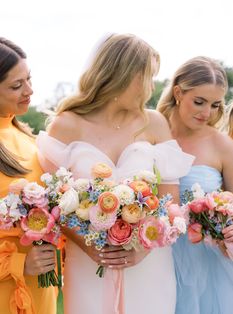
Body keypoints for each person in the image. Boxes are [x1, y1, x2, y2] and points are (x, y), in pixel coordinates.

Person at [36, 33, 194, 314]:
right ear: (122, 75)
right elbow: (52, 203)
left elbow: (170, 202)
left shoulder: (155, 123)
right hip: (88, 262)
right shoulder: (66, 125)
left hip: (149, 262)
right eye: (147, 77)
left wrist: (142, 249)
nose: (150, 87)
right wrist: (88, 247)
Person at [157, 56, 233, 314]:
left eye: (215, 105)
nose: (207, 113)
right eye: (199, 102)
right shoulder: (151, 133)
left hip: (206, 264)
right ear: (178, 92)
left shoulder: (223, 146)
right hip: (154, 256)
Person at [0, 37, 56, 314]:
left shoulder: (29, 138)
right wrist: (20, 264)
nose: (30, 90)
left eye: (29, 79)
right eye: (16, 85)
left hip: (41, 286)